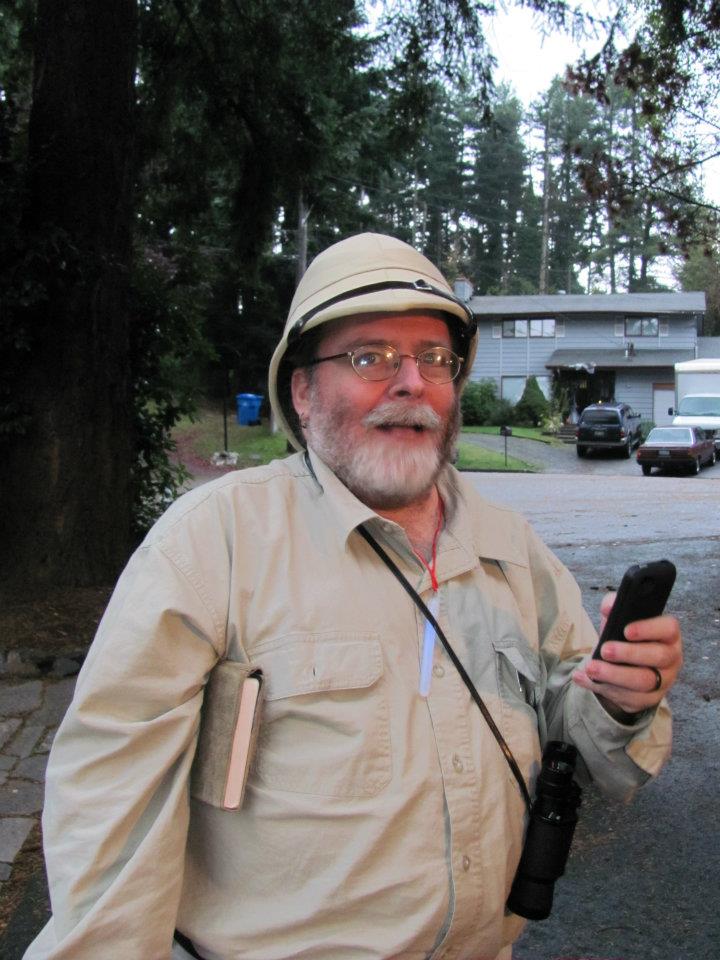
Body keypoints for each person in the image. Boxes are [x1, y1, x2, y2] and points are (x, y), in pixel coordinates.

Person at [25, 233, 682, 960]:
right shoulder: (214, 543)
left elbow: (582, 740)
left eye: (434, 358)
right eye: (371, 357)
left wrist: (621, 698)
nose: (411, 383)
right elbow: (112, 807)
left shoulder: (510, 546)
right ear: (302, 393)